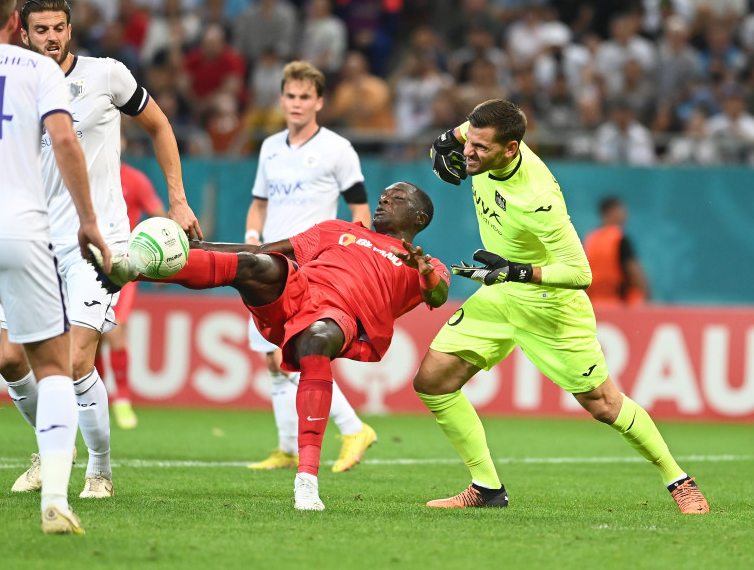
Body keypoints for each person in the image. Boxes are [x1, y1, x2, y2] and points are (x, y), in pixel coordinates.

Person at [420, 99, 708, 513]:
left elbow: (580, 273)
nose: (469, 153)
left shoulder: (539, 200)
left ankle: (678, 479)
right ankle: (486, 488)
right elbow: (469, 128)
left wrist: (517, 271)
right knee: (433, 381)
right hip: (500, 294)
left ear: (511, 149)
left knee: (603, 404)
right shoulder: (483, 139)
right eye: (471, 143)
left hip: (549, 306)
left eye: (481, 148)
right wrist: (445, 140)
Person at [89, 182, 450, 511]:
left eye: (397, 198)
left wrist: (426, 272)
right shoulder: (338, 229)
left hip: (343, 318)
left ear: (419, 218)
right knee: (253, 264)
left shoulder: (426, 265)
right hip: (298, 291)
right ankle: (130, 268)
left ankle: (306, 481)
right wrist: (194, 248)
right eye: (384, 195)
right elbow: (261, 249)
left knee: (316, 341)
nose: (384, 199)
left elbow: (438, 293)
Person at [0, 0, 202, 501]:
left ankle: (100, 471)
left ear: (70, 29)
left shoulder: (107, 75)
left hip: (97, 241)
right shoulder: (10, 88)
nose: (51, 38)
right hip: (32, 242)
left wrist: (177, 199)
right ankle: (47, 449)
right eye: (40, 29)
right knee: (8, 361)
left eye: (58, 28)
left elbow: (158, 125)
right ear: (23, 33)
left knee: (76, 359)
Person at [0, 0, 113, 534]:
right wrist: (89, 221)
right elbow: (65, 140)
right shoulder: (39, 70)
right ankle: (54, 497)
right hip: (24, 229)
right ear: (17, 25)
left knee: (28, 361)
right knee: (52, 368)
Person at [244, 60, 377, 473]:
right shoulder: (270, 148)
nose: (297, 104)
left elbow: (359, 208)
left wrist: (353, 256)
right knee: (272, 357)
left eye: (305, 97)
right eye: (291, 96)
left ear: (319, 101)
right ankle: (286, 448)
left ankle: (354, 428)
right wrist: (252, 237)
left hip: (311, 266)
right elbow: (259, 203)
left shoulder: (337, 149)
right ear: (281, 99)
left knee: (301, 354)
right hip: (269, 262)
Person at [94, 157, 166, 429]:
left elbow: (159, 215)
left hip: (122, 268)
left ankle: (122, 399)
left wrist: (163, 262)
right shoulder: (87, 173)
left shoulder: (134, 179)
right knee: (90, 337)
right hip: (85, 264)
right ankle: (97, 399)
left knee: (114, 330)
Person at [583, 196, 649, 305]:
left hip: (594, 303)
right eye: (621, 210)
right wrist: (647, 297)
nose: (625, 214)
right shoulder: (619, 238)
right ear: (610, 212)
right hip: (620, 304)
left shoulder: (590, 239)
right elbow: (634, 270)